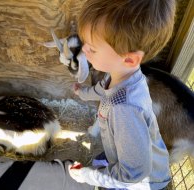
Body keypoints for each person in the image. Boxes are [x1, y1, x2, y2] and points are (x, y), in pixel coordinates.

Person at [68, 0, 176, 189]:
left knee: (101, 175)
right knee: (100, 163)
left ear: (129, 58)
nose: (84, 50)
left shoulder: (124, 110)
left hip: (141, 182)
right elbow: (103, 89)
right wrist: (83, 93)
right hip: (127, 158)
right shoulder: (120, 74)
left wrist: (86, 175)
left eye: (91, 48)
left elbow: (131, 174)